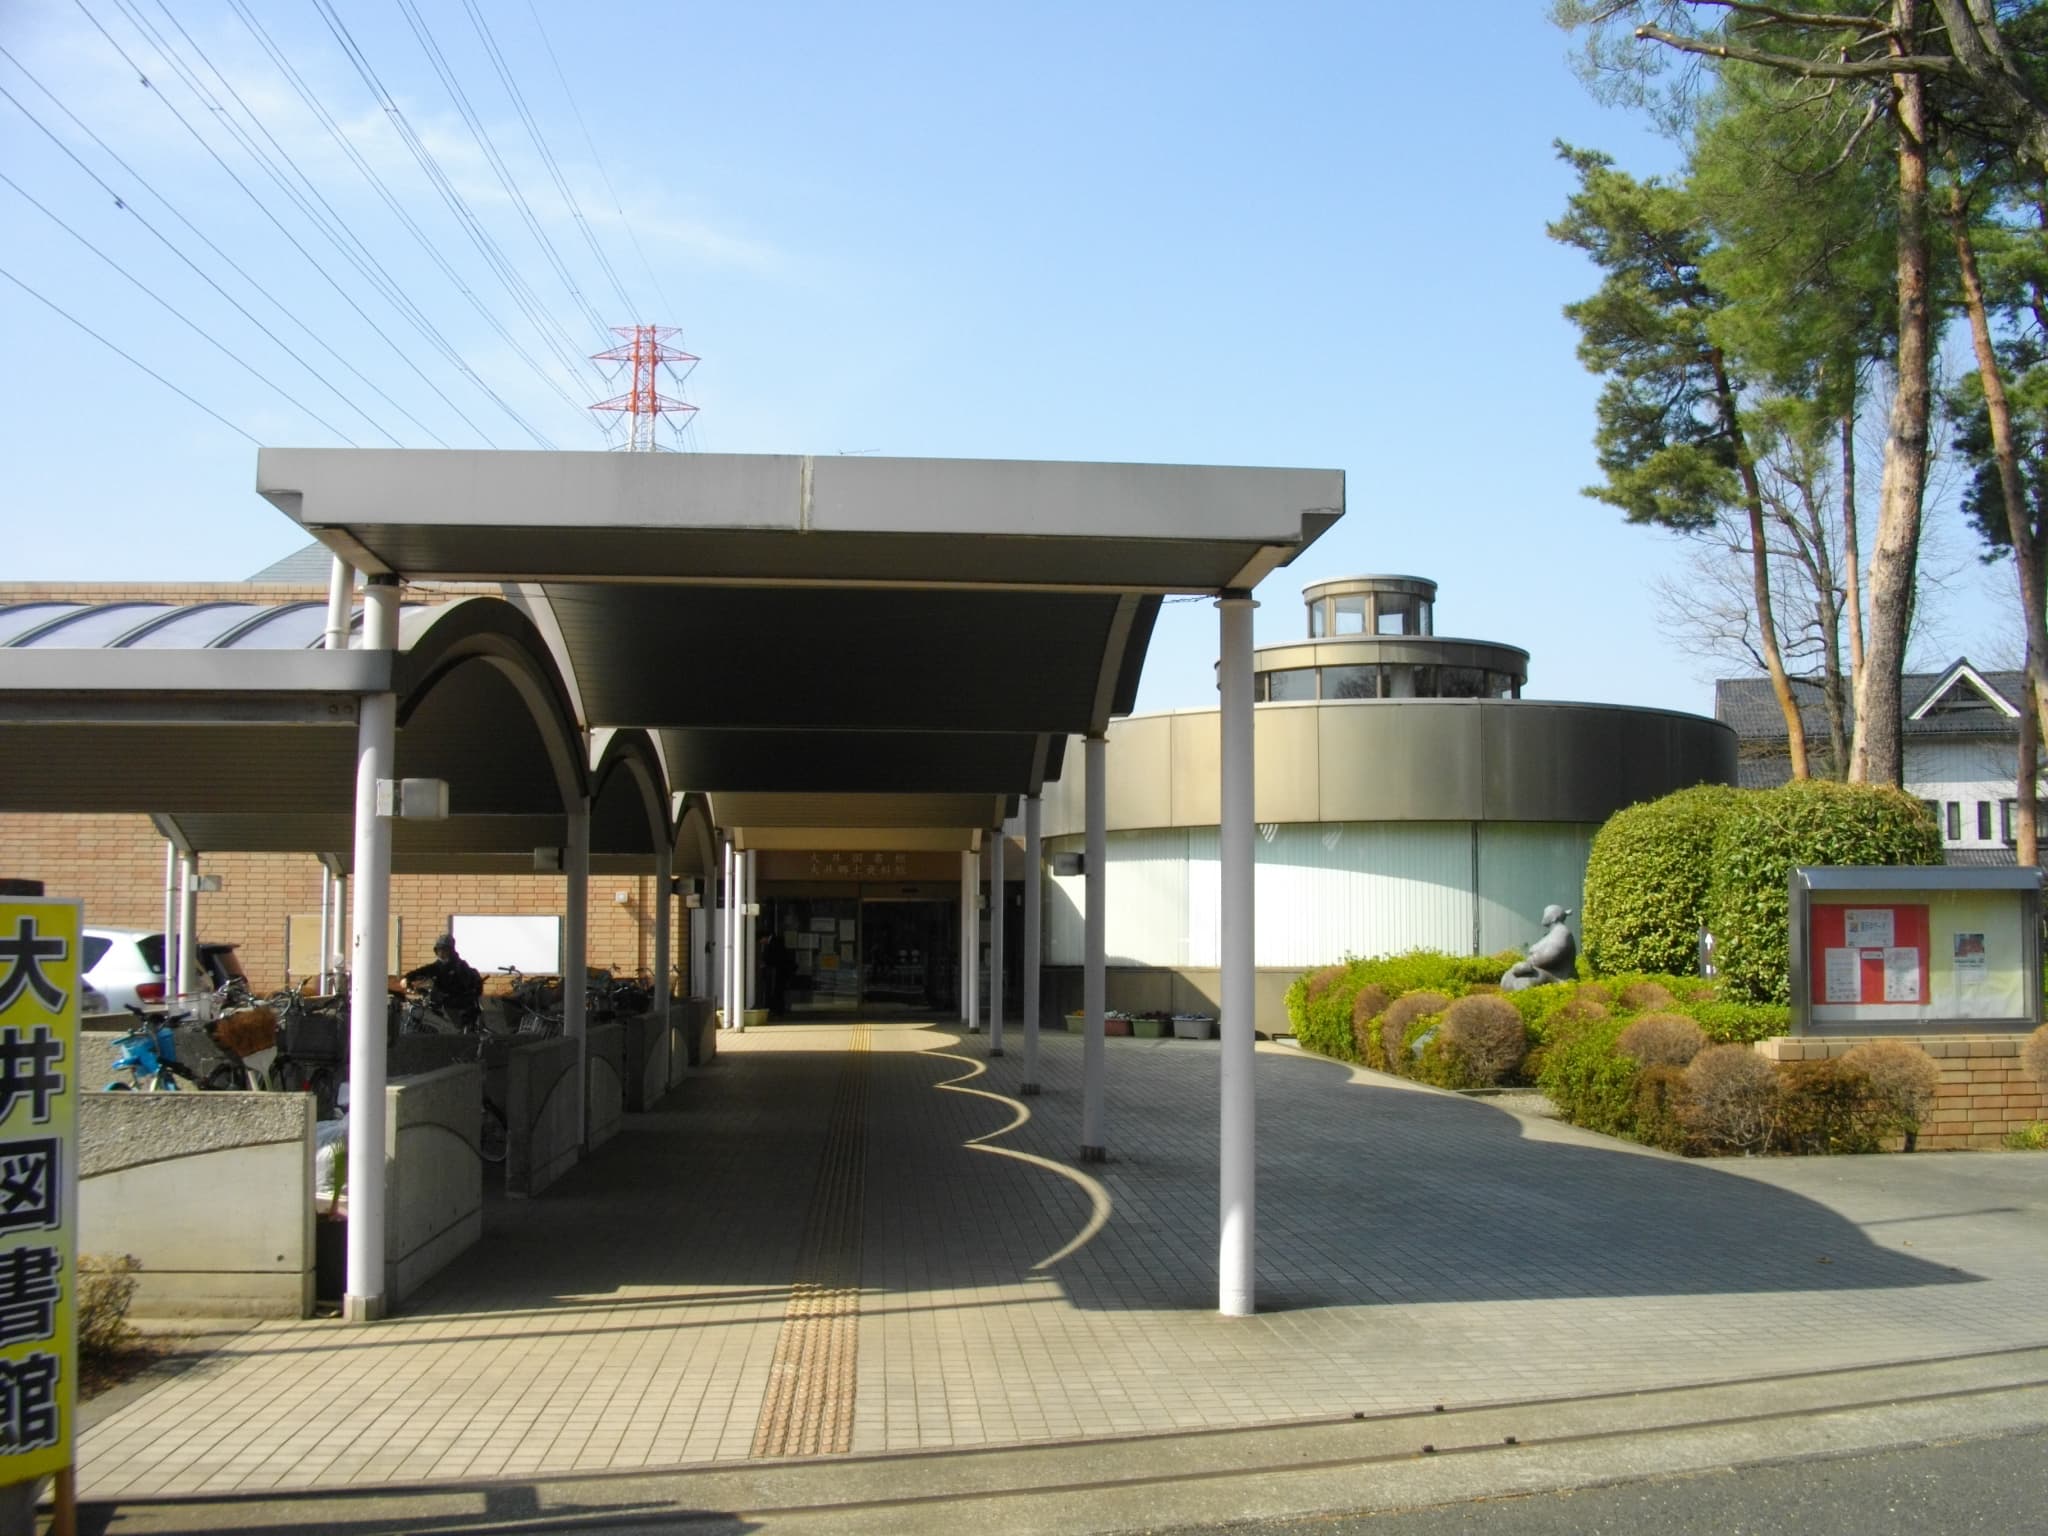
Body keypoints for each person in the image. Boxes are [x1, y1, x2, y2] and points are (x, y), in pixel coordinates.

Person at [405, 934, 482, 1023]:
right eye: (439, 950)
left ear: (451, 951)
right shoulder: (438, 965)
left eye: (444, 950)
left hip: (457, 1007)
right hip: (441, 1005)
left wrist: (445, 993)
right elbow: (425, 970)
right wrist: (409, 977)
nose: (441, 953)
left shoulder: (460, 966)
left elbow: (463, 986)